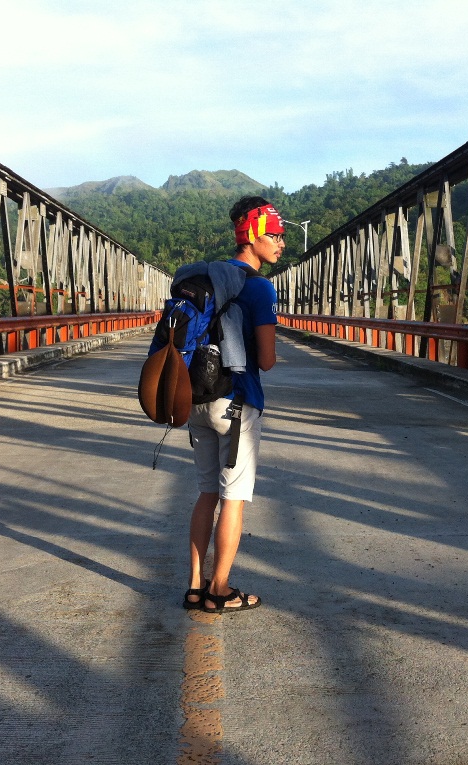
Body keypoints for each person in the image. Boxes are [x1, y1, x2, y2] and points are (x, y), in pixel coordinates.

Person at [183, 196, 283, 614]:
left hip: (196, 400)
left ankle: (194, 586)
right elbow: (266, 360)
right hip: (237, 405)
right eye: (275, 235)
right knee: (233, 498)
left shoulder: (203, 278)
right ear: (254, 236)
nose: (281, 244)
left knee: (206, 494)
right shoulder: (259, 287)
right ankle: (219, 590)